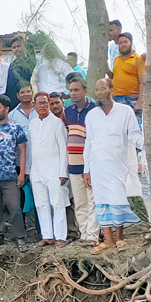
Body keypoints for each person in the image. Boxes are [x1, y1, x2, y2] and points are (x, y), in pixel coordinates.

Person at [83, 79, 144, 255]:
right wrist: (86, 170)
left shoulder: (125, 112)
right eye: (97, 88)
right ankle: (108, 240)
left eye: (103, 87)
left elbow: (134, 135)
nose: (100, 91)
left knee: (117, 200)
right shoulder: (92, 115)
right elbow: (89, 142)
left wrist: (148, 144)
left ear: (111, 89)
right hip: (97, 166)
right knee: (102, 202)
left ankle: (120, 238)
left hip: (118, 164)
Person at [0, 96, 29, 251]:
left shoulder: (16, 128)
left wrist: (22, 173)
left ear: (6, 109)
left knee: (14, 207)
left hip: (9, 175)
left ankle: (20, 237)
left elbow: (23, 152)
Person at [27, 92, 70, 247]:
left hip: (55, 170)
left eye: (46, 103)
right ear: (34, 105)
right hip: (37, 171)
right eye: (40, 103)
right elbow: (30, 149)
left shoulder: (56, 123)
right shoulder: (32, 123)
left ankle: (60, 237)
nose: (43, 106)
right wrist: (30, 171)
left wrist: (63, 172)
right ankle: (47, 236)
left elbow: (63, 149)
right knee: (41, 203)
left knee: (57, 203)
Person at [64, 77, 98, 245]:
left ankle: (93, 235)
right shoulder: (68, 111)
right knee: (79, 202)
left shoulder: (94, 110)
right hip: (73, 163)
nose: (73, 93)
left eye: (76, 90)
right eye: (71, 91)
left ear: (85, 91)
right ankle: (84, 234)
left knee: (92, 201)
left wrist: (90, 165)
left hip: (90, 164)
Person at [111, 32, 146, 118]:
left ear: (131, 43)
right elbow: (114, 77)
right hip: (116, 98)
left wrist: (139, 102)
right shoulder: (116, 60)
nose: (123, 44)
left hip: (132, 98)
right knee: (119, 127)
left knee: (134, 127)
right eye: (120, 43)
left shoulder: (138, 59)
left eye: (125, 42)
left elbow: (143, 82)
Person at [6, 35, 37, 106]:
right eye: (14, 47)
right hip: (13, 102)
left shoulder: (29, 62)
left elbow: (31, 55)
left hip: (26, 100)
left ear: (24, 47)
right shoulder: (12, 65)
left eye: (19, 46)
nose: (16, 49)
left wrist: (28, 41)